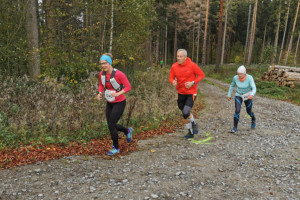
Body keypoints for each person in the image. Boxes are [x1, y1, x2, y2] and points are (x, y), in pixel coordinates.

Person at [97, 53, 133, 156]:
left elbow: (128, 87)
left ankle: (116, 147)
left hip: (120, 102)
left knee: (112, 125)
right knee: (110, 125)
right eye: (101, 64)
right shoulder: (101, 74)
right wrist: (99, 93)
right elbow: (101, 84)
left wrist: (118, 93)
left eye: (105, 63)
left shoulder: (119, 74)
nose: (103, 66)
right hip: (109, 102)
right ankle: (127, 131)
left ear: (110, 63)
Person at [169, 49, 205, 139]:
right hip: (180, 93)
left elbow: (201, 75)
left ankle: (194, 124)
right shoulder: (174, 66)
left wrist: (193, 82)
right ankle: (190, 132)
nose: (179, 58)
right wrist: (173, 81)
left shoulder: (192, 65)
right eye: (177, 56)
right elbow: (171, 77)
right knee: (184, 114)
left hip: (191, 93)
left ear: (185, 57)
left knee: (186, 111)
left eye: (181, 56)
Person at [227, 65, 256, 133]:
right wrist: (229, 94)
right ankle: (234, 128)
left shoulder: (249, 78)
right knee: (237, 110)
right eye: (238, 74)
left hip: (247, 95)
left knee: (248, 111)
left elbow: (254, 87)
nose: (239, 75)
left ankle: (253, 119)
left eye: (241, 74)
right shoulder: (235, 78)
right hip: (238, 95)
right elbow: (232, 86)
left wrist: (252, 94)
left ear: (244, 73)